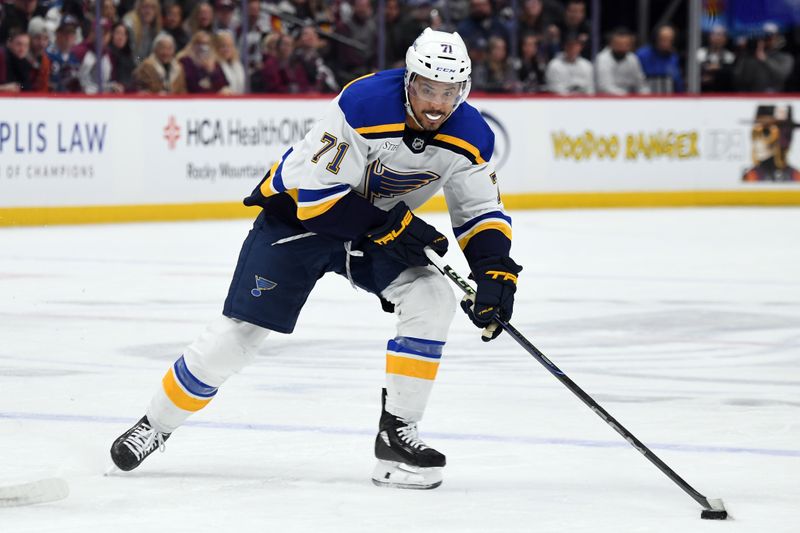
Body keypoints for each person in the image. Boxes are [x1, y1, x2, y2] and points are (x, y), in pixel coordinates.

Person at [110, 28, 521, 490]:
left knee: (431, 296)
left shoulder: (471, 133)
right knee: (240, 335)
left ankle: (395, 440)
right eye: (427, 88)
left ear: (462, 91)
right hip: (299, 221)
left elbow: (480, 210)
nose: (436, 104)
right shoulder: (362, 104)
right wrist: (397, 227)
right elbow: (319, 201)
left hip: (372, 229)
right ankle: (155, 425)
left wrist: (495, 272)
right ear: (408, 79)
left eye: (449, 93)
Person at [742, 105, 800, 182]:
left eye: (766, 132)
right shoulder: (751, 177)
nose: (758, 142)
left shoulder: (795, 177)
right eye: (756, 133)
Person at [595, 27, 648, 95]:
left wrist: (645, 95)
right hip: (607, 100)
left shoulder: (633, 58)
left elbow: (641, 84)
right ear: (611, 44)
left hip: (629, 99)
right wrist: (628, 97)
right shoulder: (602, 59)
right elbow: (605, 87)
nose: (622, 47)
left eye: (626, 45)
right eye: (619, 44)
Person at [636, 24, 684, 93]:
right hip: (646, 96)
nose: (666, 43)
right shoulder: (642, 55)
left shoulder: (674, 57)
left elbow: (678, 82)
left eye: (669, 40)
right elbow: (635, 80)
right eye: (663, 39)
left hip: (668, 97)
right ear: (656, 39)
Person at [697, 25, 734, 93]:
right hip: (702, 93)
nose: (718, 38)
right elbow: (698, 73)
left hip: (723, 93)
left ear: (725, 39)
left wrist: (713, 70)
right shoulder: (701, 53)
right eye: (715, 35)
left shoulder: (730, 56)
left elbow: (728, 76)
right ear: (710, 37)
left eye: (721, 35)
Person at [213, 29, 244, 93]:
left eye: (229, 46)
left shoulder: (237, 64)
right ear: (216, 47)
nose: (226, 49)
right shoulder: (214, 67)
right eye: (223, 46)